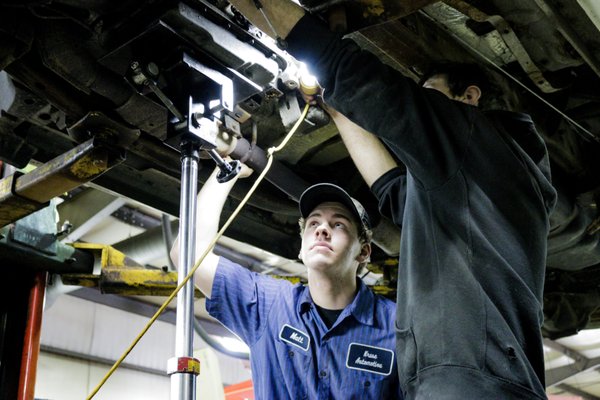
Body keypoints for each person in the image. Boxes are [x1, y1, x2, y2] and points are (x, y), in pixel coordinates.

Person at [226, 2, 558, 399]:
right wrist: (337, 108)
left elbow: (377, 92)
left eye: (431, 100)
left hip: (472, 387)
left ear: (469, 98)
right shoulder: (483, 183)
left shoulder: (474, 141)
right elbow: (394, 190)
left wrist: (271, 12)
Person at [171, 164, 401, 399]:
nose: (322, 229)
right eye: (313, 223)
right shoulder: (268, 304)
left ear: (363, 252)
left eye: (338, 224)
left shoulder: (397, 326)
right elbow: (188, 256)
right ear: (301, 249)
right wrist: (229, 167)